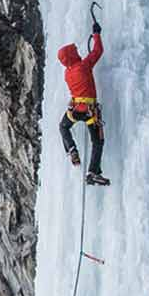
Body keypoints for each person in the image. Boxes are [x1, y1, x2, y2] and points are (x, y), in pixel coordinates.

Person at [57, 14, 109, 186]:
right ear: (72, 55)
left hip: (75, 111)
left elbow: (80, 68)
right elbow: (98, 51)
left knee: (63, 126)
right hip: (90, 111)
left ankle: (71, 149)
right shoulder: (84, 66)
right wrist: (96, 34)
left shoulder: (68, 72)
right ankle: (93, 172)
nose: (78, 52)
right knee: (97, 141)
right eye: (75, 52)